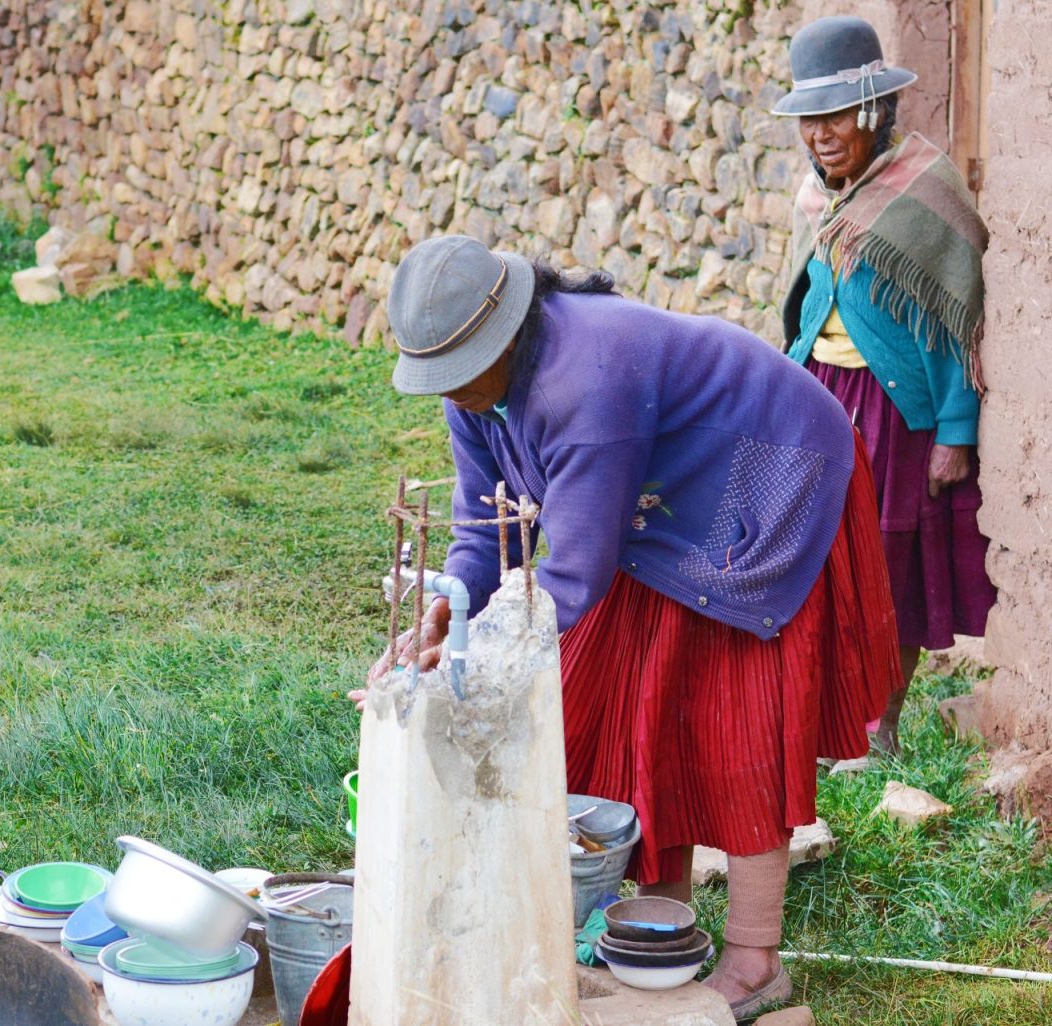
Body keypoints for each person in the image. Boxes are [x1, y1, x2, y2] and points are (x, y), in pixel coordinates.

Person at [355, 234, 901, 1020]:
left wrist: (475, 663)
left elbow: (570, 580)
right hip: (660, 505)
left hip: (769, 468)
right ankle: (661, 929)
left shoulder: (588, 380)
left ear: (504, 332)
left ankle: (754, 962)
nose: (451, 389)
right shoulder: (474, 383)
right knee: (644, 707)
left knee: (733, 722)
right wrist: (449, 611)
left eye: (457, 372)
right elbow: (482, 525)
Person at [774, 16, 995, 757]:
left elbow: (955, 324)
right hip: (821, 399)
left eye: (835, 115)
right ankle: (823, 712)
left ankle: (882, 725)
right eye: (809, 119)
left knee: (892, 566)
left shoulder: (926, 189)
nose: (820, 135)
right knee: (815, 558)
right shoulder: (821, 197)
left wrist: (956, 435)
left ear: (874, 109)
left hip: (897, 414)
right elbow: (806, 302)